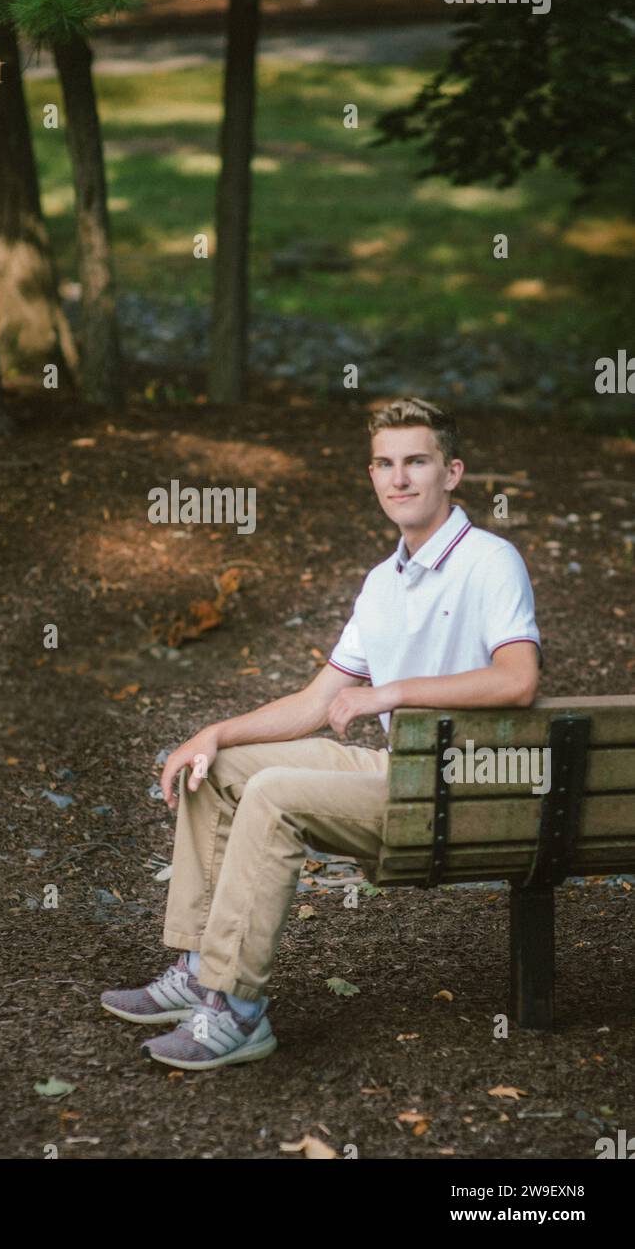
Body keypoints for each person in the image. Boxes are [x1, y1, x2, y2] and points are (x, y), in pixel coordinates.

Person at [100, 397, 542, 1070]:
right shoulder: (380, 585)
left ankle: (236, 1010)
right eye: (385, 464)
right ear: (371, 476)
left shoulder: (489, 560)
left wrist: (392, 692)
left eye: (416, 462)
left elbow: (517, 679)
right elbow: (316, 701)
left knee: (275, 794)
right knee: (220, 770)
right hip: (407, 776)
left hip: (470, 790)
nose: (399, 479)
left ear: (450, 473)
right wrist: (212, 732)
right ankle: (197, 969)